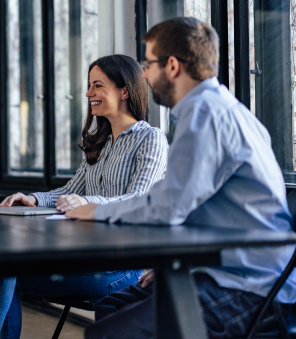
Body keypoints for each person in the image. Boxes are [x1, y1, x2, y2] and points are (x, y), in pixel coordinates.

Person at [67, 17, 296, 339]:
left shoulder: (206, 116)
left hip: (250, 286)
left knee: (106, 335)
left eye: (148, 64)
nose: (143, 74)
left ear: (172, 65)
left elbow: (168, 208)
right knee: (112, 306)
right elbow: (192, 206)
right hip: (220, 269)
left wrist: (97, 210)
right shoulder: (213, 110)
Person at [0, 54, 169, 339]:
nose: (89, 93)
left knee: (2, 276)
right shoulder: (100, 143)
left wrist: (91, 204)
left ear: (124, 90)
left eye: (97, 85)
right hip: (86, 255)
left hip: (123, 266)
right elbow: (70, 191)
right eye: (89, 85)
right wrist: (33, 198)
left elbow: (140, 199)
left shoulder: (150, 139)